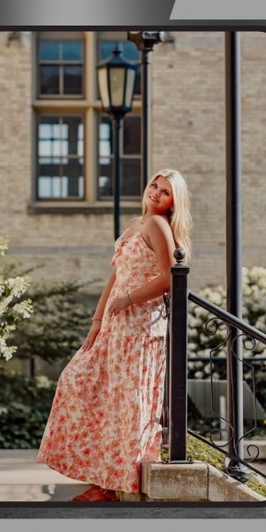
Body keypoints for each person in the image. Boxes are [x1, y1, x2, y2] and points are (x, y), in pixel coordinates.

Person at [37, 169, 193, 502]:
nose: (155, 193)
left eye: (165, 192)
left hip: (138, 325)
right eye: (154, 185)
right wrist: (97, 319)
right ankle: (103, 478)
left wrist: (129, 299)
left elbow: (169, 278)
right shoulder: (136, 225)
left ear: (172, 203)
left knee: (127, 403)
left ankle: (115, 485)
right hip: (114, 323)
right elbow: (115, 277)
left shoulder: (158, 226)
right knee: (81, 382)